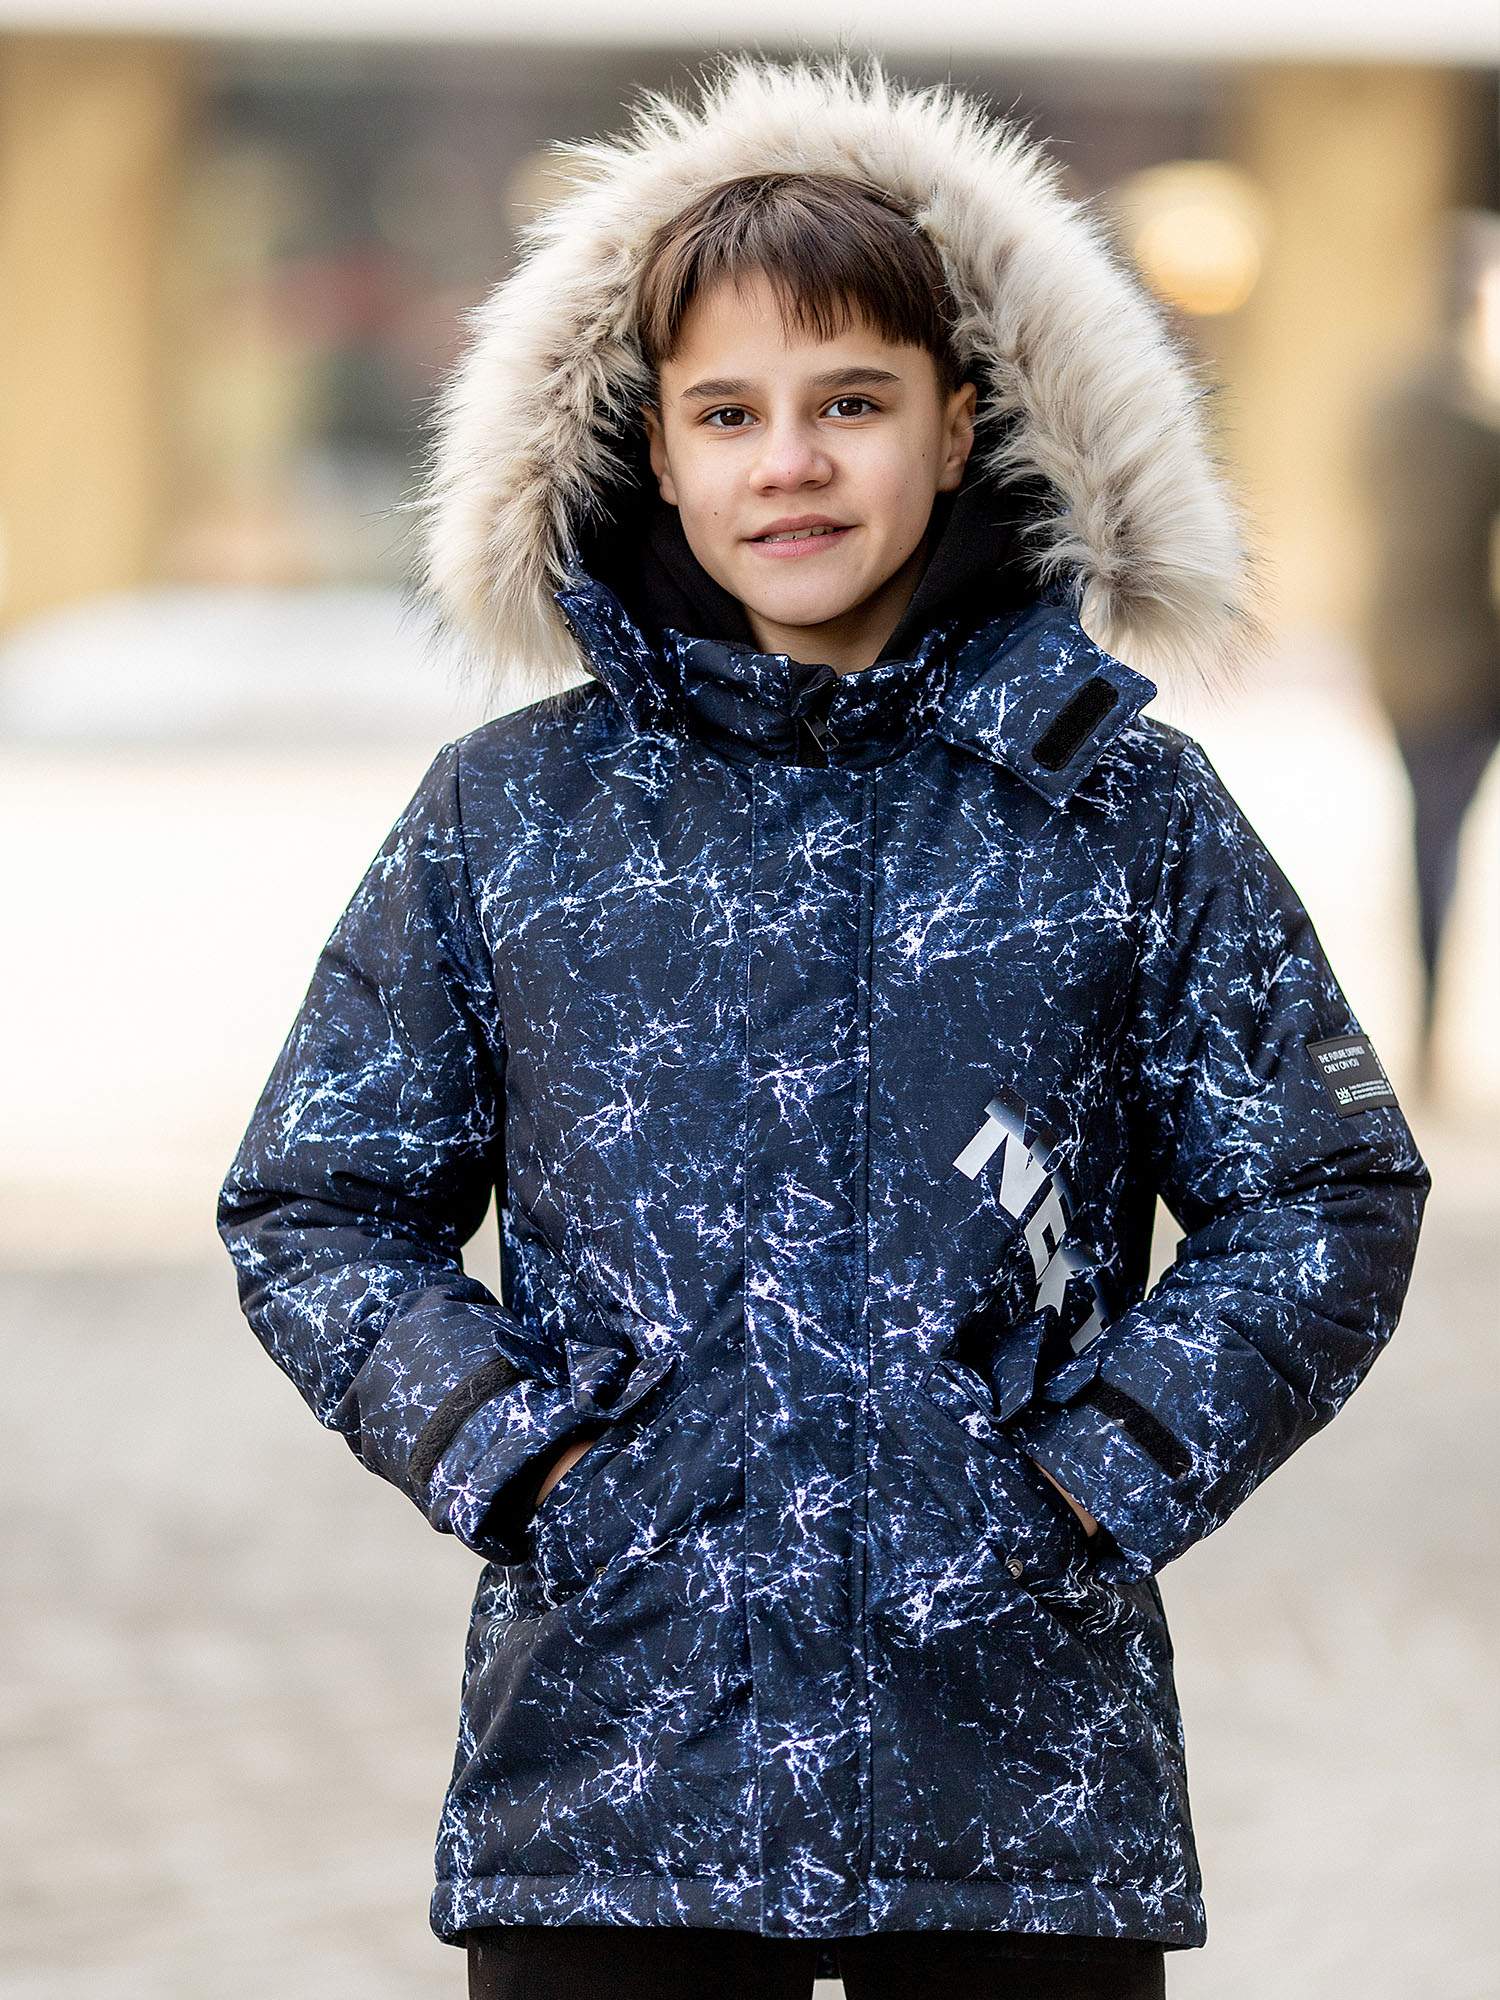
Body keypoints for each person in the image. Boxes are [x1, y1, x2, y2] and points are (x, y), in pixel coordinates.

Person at [216, 52, 1432, 2000]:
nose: (790, 461)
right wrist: (525, 1461)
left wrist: (1097, 1473)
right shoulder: (512, 818)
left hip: (1013, 1799)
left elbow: (1327, 1190)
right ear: (654, 450)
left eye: (851, 401)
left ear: (959, 428)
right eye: (731, 412)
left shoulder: (1117, 808)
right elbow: (318, 1201)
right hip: (616, 1795)